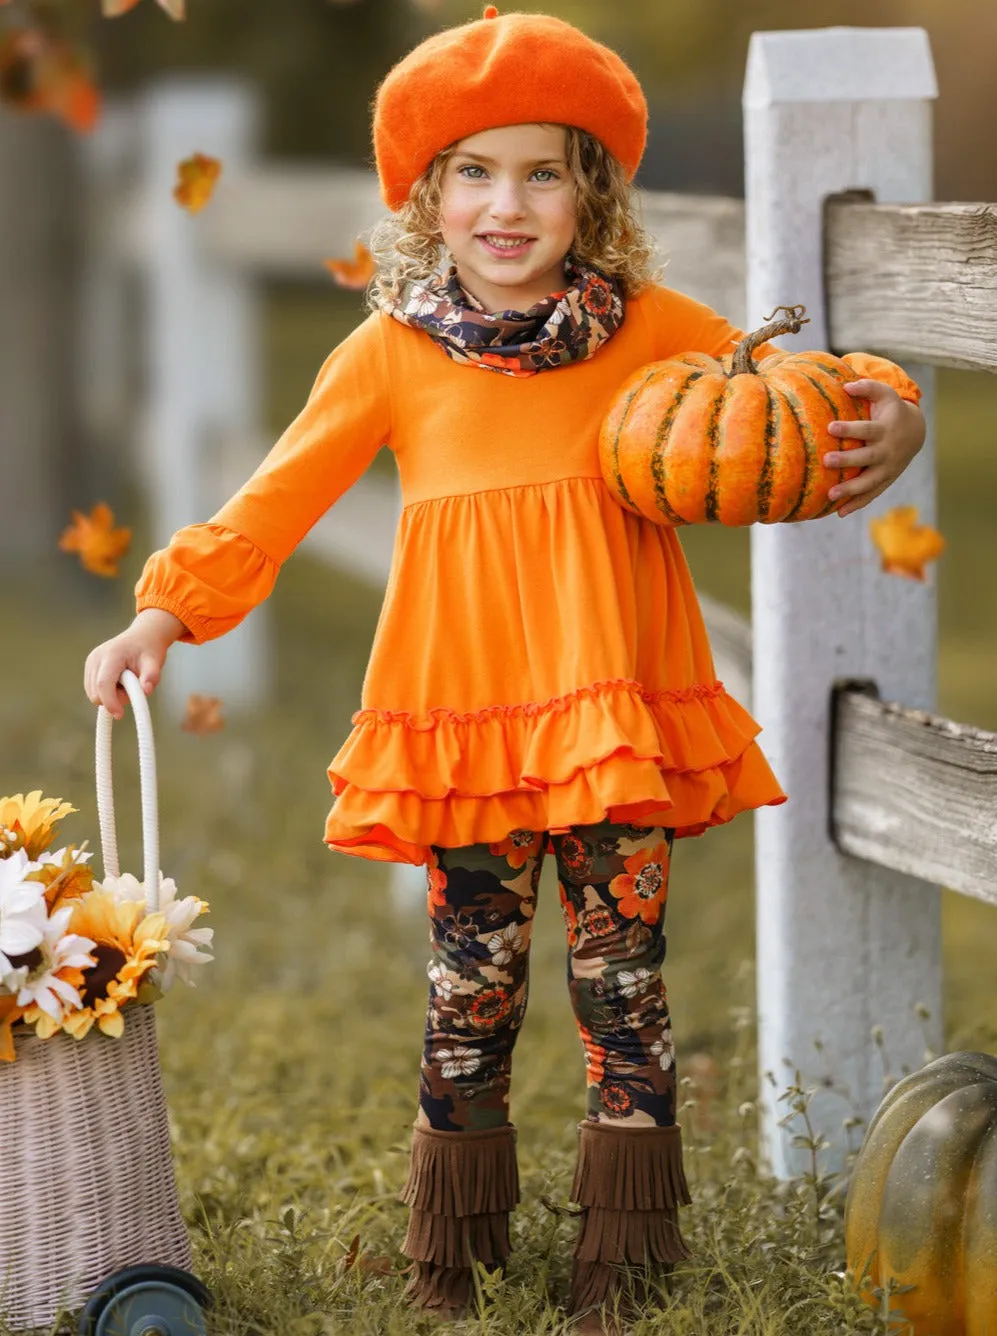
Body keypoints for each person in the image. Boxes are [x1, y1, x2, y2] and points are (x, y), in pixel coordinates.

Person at [84, 7, 925, 1332]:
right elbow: (274, 500)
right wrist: (163, 617)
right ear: (428, 196)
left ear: (591, 189)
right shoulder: (392, 351)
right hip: (467, 731)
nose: (507, 205)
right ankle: (449, 1263)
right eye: (474, 173)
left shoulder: (653, 332)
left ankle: (622, 1268)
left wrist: (890, 413)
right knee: (469, 997)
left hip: (615, 725)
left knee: (624, 992)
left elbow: (791, 404)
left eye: (543, 171)